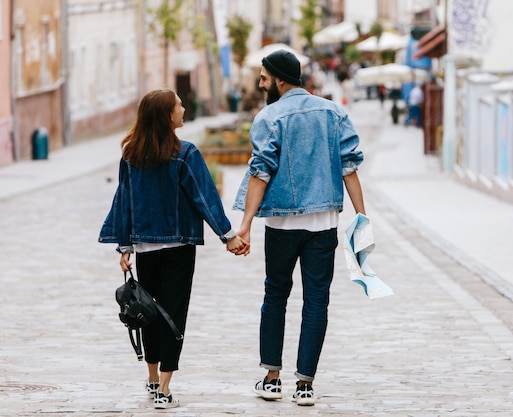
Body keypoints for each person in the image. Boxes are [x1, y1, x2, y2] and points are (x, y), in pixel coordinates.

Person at [98, 88, 248, 409]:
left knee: (149, 314)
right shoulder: (185, 153)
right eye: (179, 105)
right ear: (167, 116)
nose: (183, 108)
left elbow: (123, 202)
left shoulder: (131, 155)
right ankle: (165, 389)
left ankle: (153, 380)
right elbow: (204, 196)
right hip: (179, 245)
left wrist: (124, 245)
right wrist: (228, 235)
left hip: (145, 249)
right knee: (172, 316)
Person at [232, 50, 366, 406]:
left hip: (281, 223)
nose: (260, 84)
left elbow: (260, 173)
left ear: (278, 79)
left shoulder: (269, 117)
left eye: (262, 78)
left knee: (275, 295)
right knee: (316, 301)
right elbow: (349, 167)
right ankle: (305, 385)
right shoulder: (333, 112)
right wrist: (361, 216)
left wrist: (244, 225)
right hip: (323, 223)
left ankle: (273, 378)